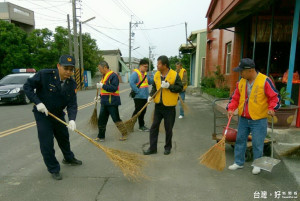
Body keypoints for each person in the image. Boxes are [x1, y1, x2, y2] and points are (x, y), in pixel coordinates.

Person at [24, 55, 82, 180]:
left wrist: (72, 119)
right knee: (47, 143)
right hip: (43, 114)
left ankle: (68, 158)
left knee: (64, 137)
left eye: (71, 69)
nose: (68, 72)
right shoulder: (45, 75)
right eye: (65, 68)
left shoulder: (71, 83)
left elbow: (72, 103)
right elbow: (27, 87)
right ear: (58, 66)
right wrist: (37, 102)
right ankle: (53, 168)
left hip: (58, 114)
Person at [226, 58, 280, 175]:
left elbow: (274, 97)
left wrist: (272, 108)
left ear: (250, 70)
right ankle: (238, 162)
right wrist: (231, 108)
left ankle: (258, 165)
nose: (240, 74)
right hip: (244, 118)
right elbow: (235, 97)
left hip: (259, 119)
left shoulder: (265, 81)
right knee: (240, 140)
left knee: (257, 142)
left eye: (241, 71)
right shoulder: (241, 82)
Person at [143, 55, 183, 155]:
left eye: (159, 64)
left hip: (169, 107)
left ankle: (168, 147)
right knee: (154, 127)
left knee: (168, 128)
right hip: (158, 106)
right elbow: (154, 87)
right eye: (157, 63)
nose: (157, 65)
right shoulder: (157, 75)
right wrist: (150, 95)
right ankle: (153, 148)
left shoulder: (174, 75)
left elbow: (180, 88)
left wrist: (169, 86)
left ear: (165, 65)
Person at [94, 61, 127, 142]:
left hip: (112, 102)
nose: (100, 71)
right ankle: (101, 136)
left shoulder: (113, 76)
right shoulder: (104, 76)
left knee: (116, 119)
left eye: (100, 69)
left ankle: (124, 134)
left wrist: (102, 85)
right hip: (104, 102)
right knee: (101, 120)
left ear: (105, 67)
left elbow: (113, 88)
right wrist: (99, 96)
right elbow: (104, 90)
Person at [129, 58, 154, 131]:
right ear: (140, 66)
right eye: (145, 66)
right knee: (138, 111)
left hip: (145, 96)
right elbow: (131, 82)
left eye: (147, 67)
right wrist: (137, 91)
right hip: (138, 96)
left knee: (142, 111)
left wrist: (153, 76)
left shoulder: (145, 74)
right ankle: (133, 124)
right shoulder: (135, 73)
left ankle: (140, 126)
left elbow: (150, 82)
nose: (146, 68)